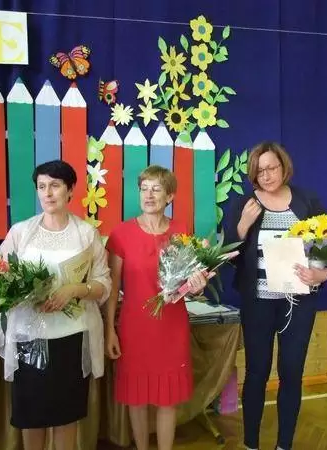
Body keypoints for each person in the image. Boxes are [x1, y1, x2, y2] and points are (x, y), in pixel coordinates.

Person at [0, 160, 111, 450]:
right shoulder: (21, 232)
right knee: (31, 416)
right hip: (28, 337)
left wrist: (75, 289)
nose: (47, 193)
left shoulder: (86, 234)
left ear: (70, 190)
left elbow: (104, 283)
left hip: (71, 338)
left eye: (55, 186)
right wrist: (19, 293)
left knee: (65, 416)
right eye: (42, 186)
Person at [225, 142, 327, 450]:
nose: (266, 175)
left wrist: (321, 275)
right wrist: (243, 225)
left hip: (298, 302)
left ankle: (284, 445)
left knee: (292, 373)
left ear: (284, 167)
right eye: (259, 171)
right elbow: (228, 255)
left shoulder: (307, 201)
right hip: (258, 302)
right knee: (257, 373)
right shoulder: (244, 204)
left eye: (271, 168)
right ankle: (251, 444)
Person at [104, 165, 209, 450]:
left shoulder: (181, 231)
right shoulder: (121, 234)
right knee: (136, 398)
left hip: (171, 326)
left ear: (170, 196)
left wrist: (197, 285)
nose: (148, 195)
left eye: (156, 189)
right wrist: (109, 330)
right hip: (134, 327)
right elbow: (112, 289)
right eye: (144, 189)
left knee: (168, 399)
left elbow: (189, 282)